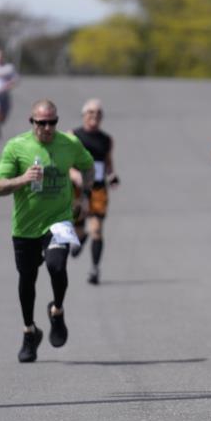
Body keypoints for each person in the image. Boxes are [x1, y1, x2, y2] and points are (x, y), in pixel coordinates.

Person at [0, 99, 95, 363]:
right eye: (42, 123)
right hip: (26, 226)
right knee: (27, 279)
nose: (48, 128)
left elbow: (88, 165)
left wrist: (84, 195)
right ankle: (29, 332)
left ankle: (57, 311)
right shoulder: (16, 147)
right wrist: (23, 178)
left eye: (52, 122)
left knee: (57, 266)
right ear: (32, 122)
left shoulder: (69, 144)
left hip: (59, 219)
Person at [69, 98, 120, 285]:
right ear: (84, 115)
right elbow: (64, 161)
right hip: (77, 188)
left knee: (96, 229)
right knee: (79, 229)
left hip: (98, 187)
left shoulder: (107, 140)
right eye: (91, 112)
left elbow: (108, 162)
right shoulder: (73, 136)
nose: (94, 116)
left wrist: (112, 175)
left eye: (98, 113)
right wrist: (73, 173)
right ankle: (81, 238)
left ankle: (95, 269)